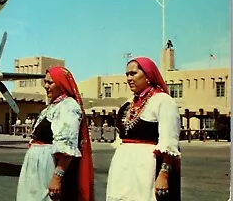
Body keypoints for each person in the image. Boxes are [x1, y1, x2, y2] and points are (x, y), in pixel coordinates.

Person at [106, 57, 181, 201]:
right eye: (127, 74)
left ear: (148, 76)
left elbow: (170, 142)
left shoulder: (163, 101)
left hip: (146, 169)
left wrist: (163, 174)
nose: (129, 78)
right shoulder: (127, 105)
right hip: (122, 168)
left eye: (133, 73)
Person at [16, 66, 94, 201]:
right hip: (37, 168)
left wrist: (57, 177)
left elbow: (67, 146)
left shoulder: (68, 106)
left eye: (50, 83)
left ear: (61, 84)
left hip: (48, 166)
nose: (46, 86)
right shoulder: (52, 107)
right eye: (44, 82)